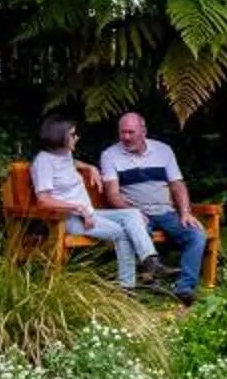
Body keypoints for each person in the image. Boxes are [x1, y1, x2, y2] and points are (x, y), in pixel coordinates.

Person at [31, 115, 157, 289]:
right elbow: (43, 200)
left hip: (88, 213)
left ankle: (150, 260)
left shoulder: (64, 154)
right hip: (68, 219)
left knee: (132, 214)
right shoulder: (43, 162)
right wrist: (79, 208)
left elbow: (70, 163)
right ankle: (127, 287)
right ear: (60, 136)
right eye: (73, 135)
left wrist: (89, 167)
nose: (77, 138)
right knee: (122, 233)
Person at [97, 110, 207, 302]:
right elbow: (112, 194)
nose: (126, 137)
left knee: (196, 234)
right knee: (135, 232)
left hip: (165, 211)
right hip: (134, 214)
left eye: (131, 132)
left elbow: (177, 185)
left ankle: (184, 287)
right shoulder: (110, 155)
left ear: (143, 131)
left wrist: (185, 212)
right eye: (122, 132)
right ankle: (148, 283)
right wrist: (134, 213)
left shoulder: (163, 150)